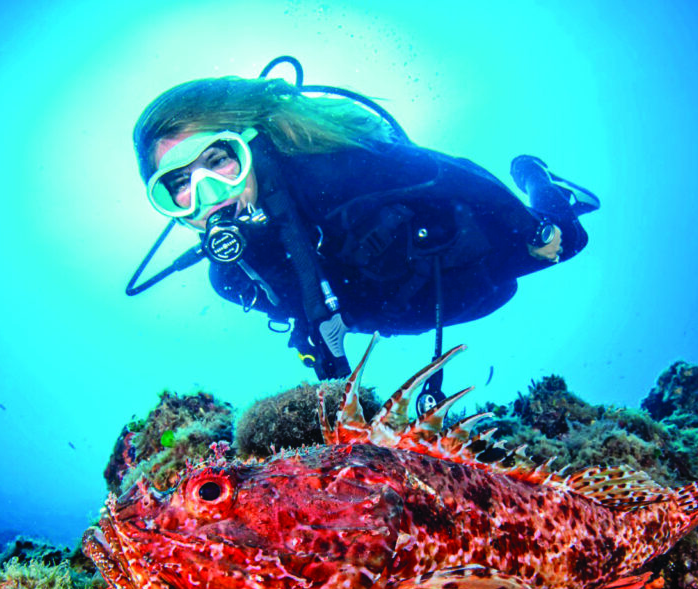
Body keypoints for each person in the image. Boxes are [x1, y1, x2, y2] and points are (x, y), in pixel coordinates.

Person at [128, 58, 599, 407]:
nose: (208, 193)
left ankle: (537, 180)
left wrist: (527, 225)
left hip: (457, 258)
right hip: (404, 312)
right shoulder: (231, 278)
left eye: (217, 161)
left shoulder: (336, 167)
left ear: (248, 144)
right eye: (178, 187)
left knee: (569, 243)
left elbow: (451, 172)